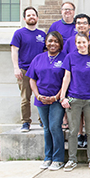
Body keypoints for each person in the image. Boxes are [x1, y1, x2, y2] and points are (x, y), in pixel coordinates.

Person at [60, 33, 90, 172]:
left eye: (84, 42)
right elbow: (66, 77)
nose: (81, 45)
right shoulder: (70, 57)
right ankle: (72, 159)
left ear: (88, 42)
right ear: (75, 44)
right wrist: (62, 97)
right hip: (74, 98)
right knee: (72, 131)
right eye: (79, 43)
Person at [27, 31, 66, 170]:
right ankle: (48, 157)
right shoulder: (38, 58)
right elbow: (32, 79)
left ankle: (58, 159)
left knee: (55, 126)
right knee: (46, 128)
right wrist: (37, 96)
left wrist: (57, 96)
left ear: (60, 43)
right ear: (46, 42)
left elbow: (67, 80)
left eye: (56, 41)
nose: (52, 44)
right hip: (41, 99)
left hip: (57, 99)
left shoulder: (64, 58)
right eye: (50, 41)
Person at [10, 7, 46, 132]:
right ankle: (25, 122)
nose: (31, 17)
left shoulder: (42, 34)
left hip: (39, 71)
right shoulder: (19, 33)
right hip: (24, 69)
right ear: (25, 18)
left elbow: (45, 53)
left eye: (33, 15)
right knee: (26, 98)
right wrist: (16, 68)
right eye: (29, 15)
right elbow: (14, 50)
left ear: (37, 17)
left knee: (40, 96)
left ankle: (43, 121)